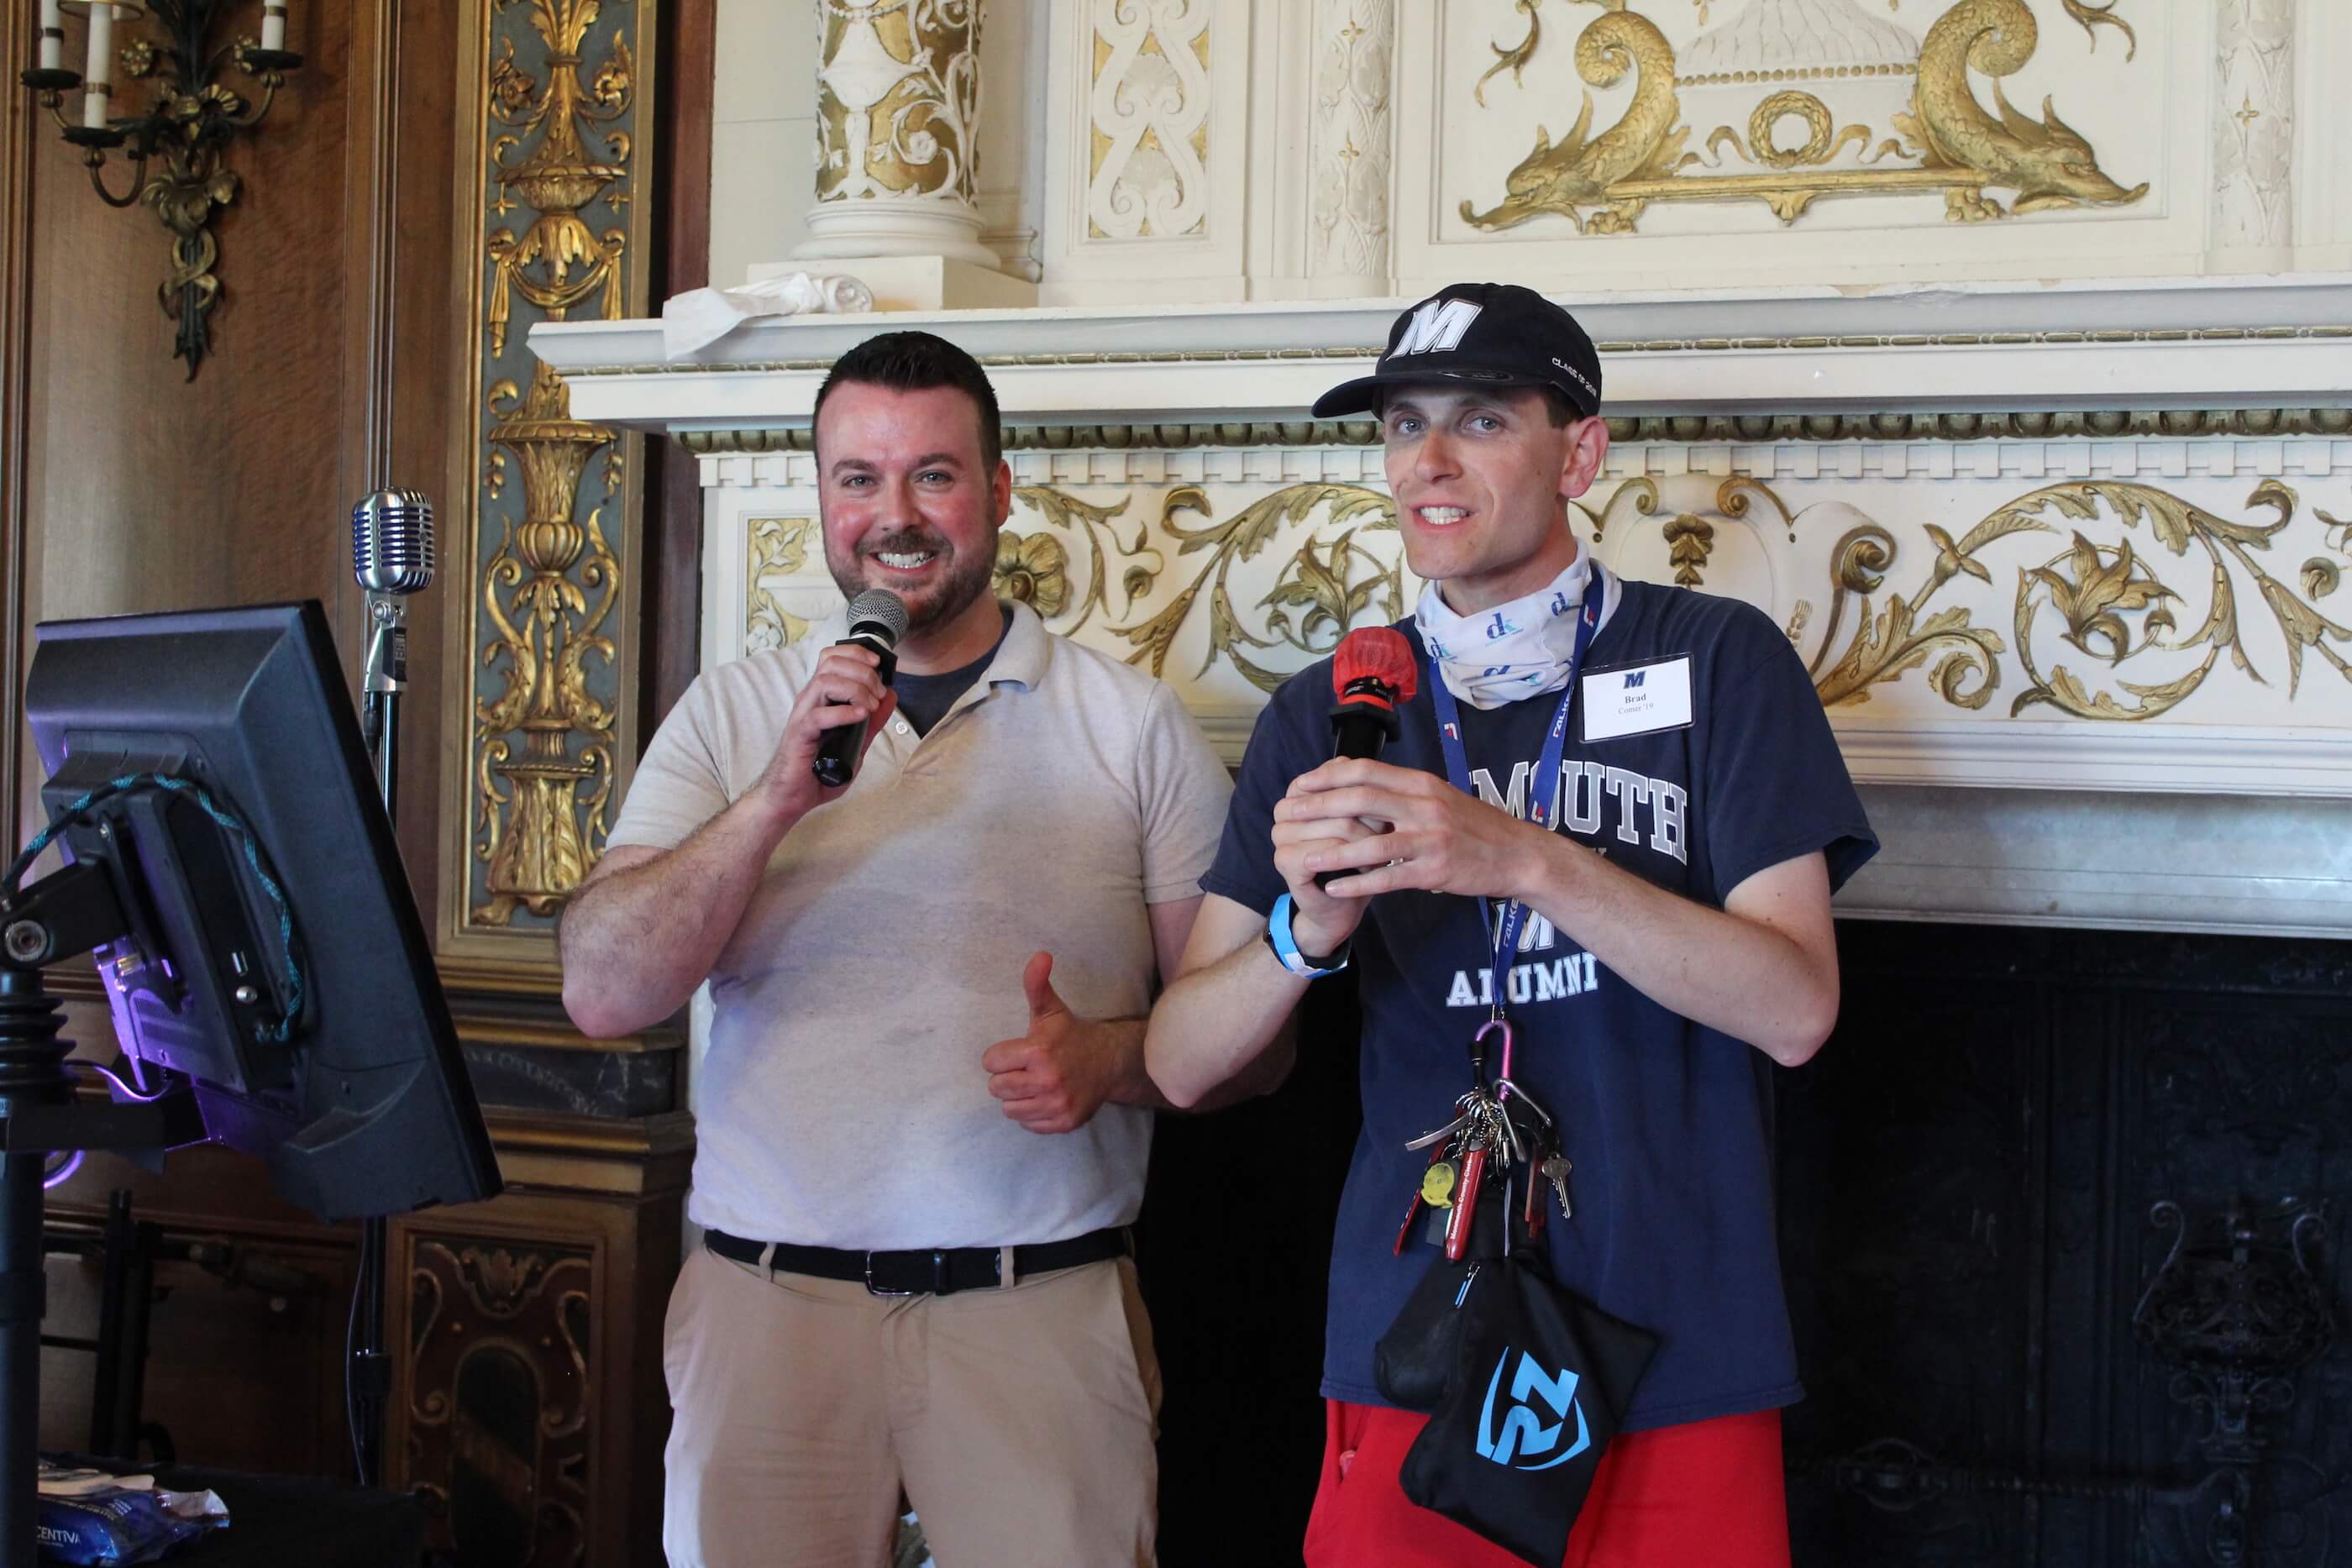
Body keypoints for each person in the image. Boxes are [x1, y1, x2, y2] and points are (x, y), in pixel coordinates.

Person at [1145, 282, 1878, 1568]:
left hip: (1677, 1333)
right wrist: (1298, 938)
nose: (1427, 463)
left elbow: (1797, 1007)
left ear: (1579, 452)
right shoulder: (1327, 712)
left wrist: (1527, 861)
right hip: (1417, 1334)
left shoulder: (1717, 660)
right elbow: (1181, 1063)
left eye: (1481, 420)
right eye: (1403, 425)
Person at [559, 330, 1240, 1568]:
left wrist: (1115, 1059)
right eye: (858, 479)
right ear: (821, 497)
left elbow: (1251, 1051)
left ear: (1000, 493)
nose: (895, 516)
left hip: (1038, 1310)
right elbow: (604, 993)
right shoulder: (731, 715)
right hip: (768, 1311)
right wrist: (774, 800)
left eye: (934, 474)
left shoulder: (1131, 727)